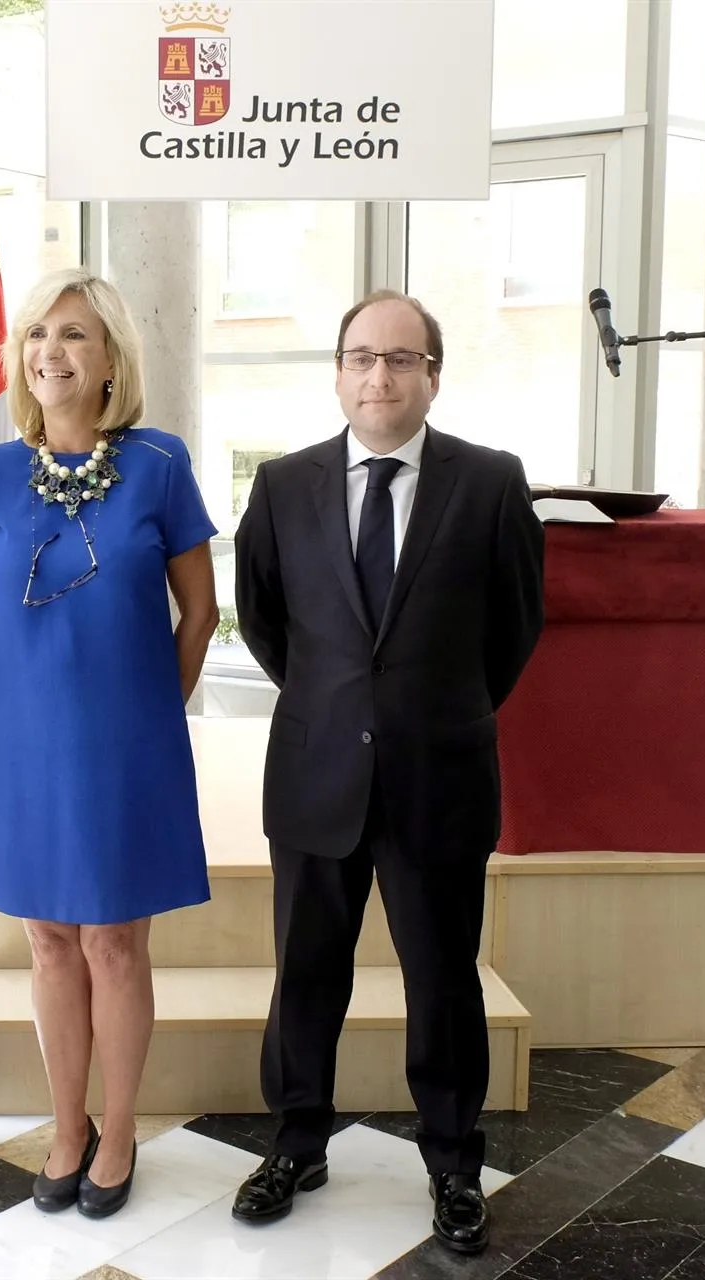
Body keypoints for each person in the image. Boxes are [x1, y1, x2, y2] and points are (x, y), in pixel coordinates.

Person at [231, 290, 545, 1255]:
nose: (380, 376)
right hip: (318, 776)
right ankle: (297, 1141)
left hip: (438, 779)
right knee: (307, 975)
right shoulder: (282, 486)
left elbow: (514, 632)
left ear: (432, 376)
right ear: (337, 372)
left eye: (402, 360)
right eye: (362, 358)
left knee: (443, 981)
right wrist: (343, 705)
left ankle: (453, 1162)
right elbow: (263, 619)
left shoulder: (491, 484)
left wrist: (431, 708)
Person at [0, 269, 220, 1219]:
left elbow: (201, 611)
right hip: (23, 745)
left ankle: (119, 1129)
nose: (50, 353)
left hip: (127, 743)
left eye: (73, 336)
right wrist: (41, 701)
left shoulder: (160, 464)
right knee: (46, 939)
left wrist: (151, 706)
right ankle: (65, 1130)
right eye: (37, 336)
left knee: (114, 939)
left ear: (111, 359)